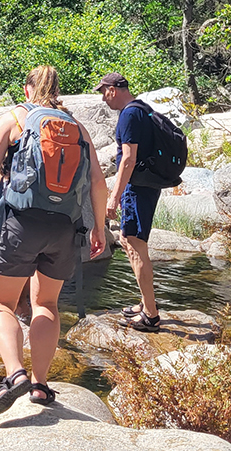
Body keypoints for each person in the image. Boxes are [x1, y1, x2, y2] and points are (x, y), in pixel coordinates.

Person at [0, 65, 108, 413]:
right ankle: (40, 386)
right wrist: (99, 228)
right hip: (65, 226)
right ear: (58, 89)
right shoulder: (77, 127)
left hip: (22, 222)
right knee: (46, 304)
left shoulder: (17, 117)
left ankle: (15, 374)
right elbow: (97, 182)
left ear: (27, 89)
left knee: (0, 302)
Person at [98, 72, 162, 333]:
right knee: (129, 241)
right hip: (147, 186)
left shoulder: (128, 114)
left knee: (135, 246)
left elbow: (128, 159)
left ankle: (151, 315)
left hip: (138, 188)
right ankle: (145, 302)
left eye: (103, 92)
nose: (103, 98)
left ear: (113, 89)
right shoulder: (143, 109)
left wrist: (114, 195)